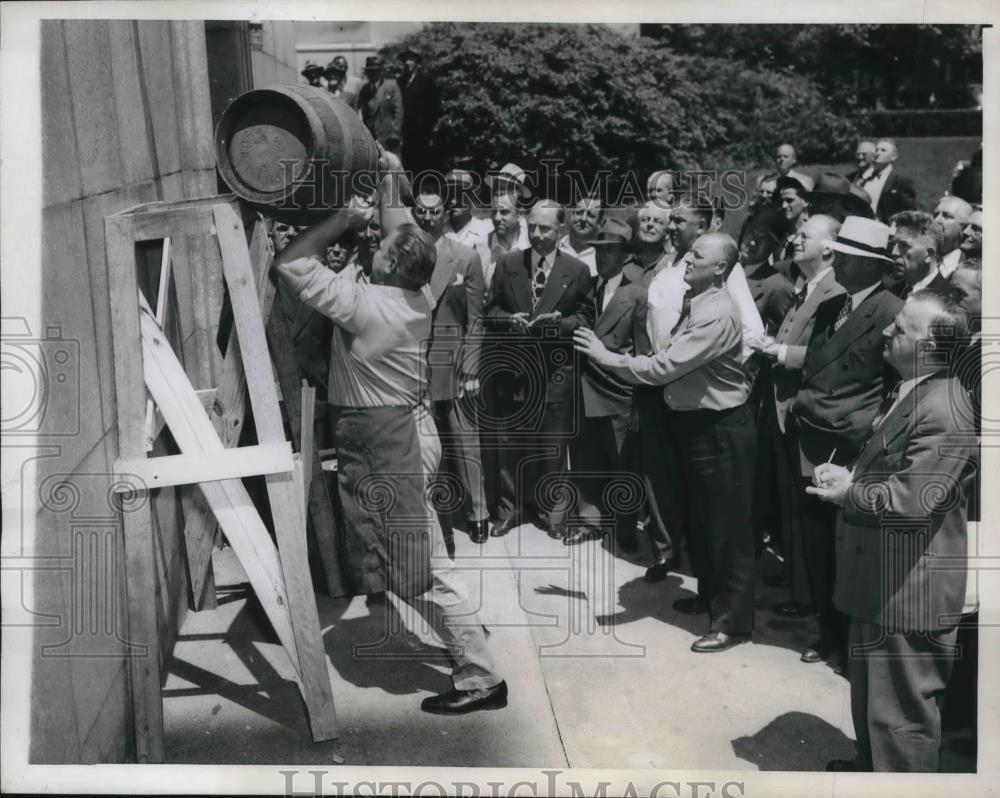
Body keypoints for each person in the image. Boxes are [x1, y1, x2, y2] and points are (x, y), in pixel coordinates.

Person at [274, 192, 506, 715]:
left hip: (394, 443)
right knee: (424, 561)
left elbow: (287, 262)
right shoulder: (417, 292)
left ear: (392, 264)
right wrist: (383, 176)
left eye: (379, 248)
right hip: (409, 430)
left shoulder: (369, 306)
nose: (370, 246)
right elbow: (400, 231)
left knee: (425, 569)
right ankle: (469, 646)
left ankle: (481, 675)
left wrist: (343, 217)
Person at [809, 293, 976, 772]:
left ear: (932, 348)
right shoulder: (914, 387)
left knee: (900, 719)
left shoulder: (944, 409)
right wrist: (852, 477)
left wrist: (848, 494)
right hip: (885, 580)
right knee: (874, 702)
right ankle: (870, 770)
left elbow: (909, 502)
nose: (887, 331)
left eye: (902, 329)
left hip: (909, 591)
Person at [575, 232, 757, 654]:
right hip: (698, 427)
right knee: (703, 523)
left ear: (721, 270)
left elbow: (663, 367)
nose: (688, 259)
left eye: (699, 255)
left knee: (728, 529)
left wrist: (607, 357)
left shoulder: (717, 314)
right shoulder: (700, 303)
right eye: (691, 251)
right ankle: (711, 597)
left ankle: (733, 622)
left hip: (720, 428)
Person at [790, 216, 904, 671]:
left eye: (849, 255)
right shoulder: (830, 305)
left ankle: (848, 641)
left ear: (871, 264)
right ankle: (828, 633)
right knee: (816, 546)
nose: (837, 259)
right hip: (810, 436)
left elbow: (895, 384)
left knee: (846, 550)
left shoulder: (892, 310)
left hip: (851, 445)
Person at [484, 201, 594, 538]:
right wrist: (508, 321)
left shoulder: (577, 270)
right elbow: (489, 313)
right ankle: (509, 510)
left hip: (555, 375)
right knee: (509, 446)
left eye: (545, 228)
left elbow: (588, 319)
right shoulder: (507, 264)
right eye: (532, 226)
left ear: (560, 230)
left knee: (553, 448)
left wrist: (560, 324)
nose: (536, 234)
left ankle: (553, 514)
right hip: (514, 374)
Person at [754, 215, 845, 619]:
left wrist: (780, 352)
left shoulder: (834, 290)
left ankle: (809, 597)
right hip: (782, 409)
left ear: (828, 247)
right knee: (789, 500)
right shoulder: (807, 286)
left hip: (803, 410)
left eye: (804, 235)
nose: (794, 239)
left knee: (804, 507)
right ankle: (797, 579)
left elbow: (831, 355)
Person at [555, 217, 647, 546]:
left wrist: (637, 400)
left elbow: (643, 350)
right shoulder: (587, 287)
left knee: (623, 465)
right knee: (585, 460)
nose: (602, 256)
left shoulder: (637, 295)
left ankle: (625, 532)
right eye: (598, 250)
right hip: (583, 389)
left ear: (626, 256)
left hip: (619, 393)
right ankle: (588, 522)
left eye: (610, 251)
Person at [413, 187, 490, 547]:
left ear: (446, 214)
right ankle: (432, 515)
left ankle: (478, 514)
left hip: (453, 362)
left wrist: (472, 367)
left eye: (434, 211)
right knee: (423, 443)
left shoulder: (465, 257)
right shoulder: (401, 253)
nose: (427, 217)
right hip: (411, 361)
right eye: (420, 211)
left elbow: (477, 318)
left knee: (464, 439)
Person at [888, 211, 953, 299]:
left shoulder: (945, 298)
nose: (894, 252)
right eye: (894, 244)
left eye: (904, 246)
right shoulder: (893, 290)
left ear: (929, 255)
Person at [398, 48, 441, 175]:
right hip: (405, 132)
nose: (407, 63)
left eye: (411, 59)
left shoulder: (426, 82)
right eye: (405, 60)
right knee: (407, 164)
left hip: (422, 132)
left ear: (417, 62)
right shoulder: (400, 82)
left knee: (422, 165)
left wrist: (431, 129)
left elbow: (434, 107)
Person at [854, 138, 917, 224]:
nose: (877, 153)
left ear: (893, 156)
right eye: (876, 150)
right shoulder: (866, 178)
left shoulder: (901, 181)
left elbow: (909, 213)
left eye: (883, 150)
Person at [442, 169, 492, 268]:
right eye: (450, 195)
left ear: (471, 198)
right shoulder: (440, 231)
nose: (453, 201)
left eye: (459, 195)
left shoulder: (485, 230)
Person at [357, 55, 403, 148]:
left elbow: (398, 111)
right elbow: (361, 112)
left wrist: (395, 133)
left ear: (381, 71)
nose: (372, 74)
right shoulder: (364, 89)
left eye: (375, 71)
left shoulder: (391, 86)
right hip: (371, 138)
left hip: (388, 136)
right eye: (369, 71)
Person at [804, 173, 876, 224]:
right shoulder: (811, 212)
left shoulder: (844, 223)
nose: (812, 204)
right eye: (815, 198)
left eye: (822, 199)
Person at [558, 195, 602, 276]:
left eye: (590, 215)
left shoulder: (601, 261)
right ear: (571, 215)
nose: (583, 219)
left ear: (599, 223)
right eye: (579, 212)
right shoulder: (553, 248)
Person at [631, 201, 673, 286]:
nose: (650, 224)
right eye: (645, 220)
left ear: (667, 232)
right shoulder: (622, 261)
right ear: (638, 228)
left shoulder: (671, 265)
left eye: (658, 221)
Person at [932, 195, 973, 278]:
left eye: (946, 216)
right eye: (935, 215)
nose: (936, 220)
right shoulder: (920, 257)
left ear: (963, 227)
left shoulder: (970, 268)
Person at [776, 174, 814, 261]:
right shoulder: (781, 232)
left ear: (806, 201)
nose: (784, 205)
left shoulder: (813, 232)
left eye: (789, 200)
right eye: (781, 201)